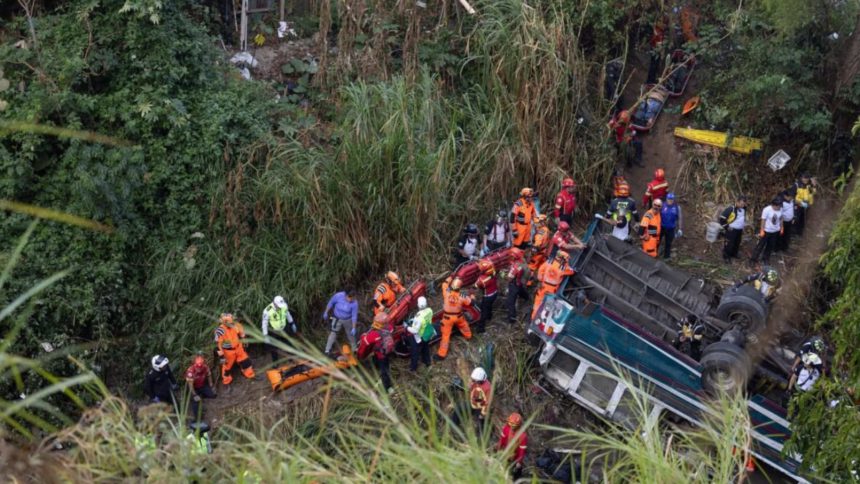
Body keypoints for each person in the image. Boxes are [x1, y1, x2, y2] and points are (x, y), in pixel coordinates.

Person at [435, 277, 474, 360]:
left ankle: (441, 354)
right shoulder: (463, 296)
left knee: (445, 336)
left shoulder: (446, 292)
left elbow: (444, 284)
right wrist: (471, 295)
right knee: (464, 325)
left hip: (447, 319)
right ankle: (468, 336)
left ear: (452, 285)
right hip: (458, 317)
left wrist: (450, 277)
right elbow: (472, 303)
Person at [214, 313, 256, 386]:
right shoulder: (220, 331)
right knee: (227, 367)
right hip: (228, 351)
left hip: (238, 347)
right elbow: (218, 345)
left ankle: (250, 375)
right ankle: (227, 382)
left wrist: (244, 341)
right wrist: (222, 357)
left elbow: (242, 334)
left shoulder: (236, 325)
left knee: (245, 361)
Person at [358, 313, 395, 393]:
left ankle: (388, 388)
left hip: (381, 355)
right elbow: (392, 329)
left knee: (385, 371)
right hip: (387, 351)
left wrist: (363, 335)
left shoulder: (374, 335)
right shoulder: (389, 328)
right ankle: (380, 372)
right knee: (380, 363)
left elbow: (365, 341)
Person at [532, 251, 575, 319]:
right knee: (547, 306)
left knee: (537, 303)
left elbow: (540, 270)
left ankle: (533, 318)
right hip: (552, 289)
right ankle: (541, 319)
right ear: (562, 259)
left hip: (542, 285)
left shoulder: (549, 262)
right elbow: (571, 272)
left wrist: (540, 281)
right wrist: (566, 264)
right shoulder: (563, 268)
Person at [323, 288, 359, 357]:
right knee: (333, 333)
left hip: (348, 320)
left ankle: (355, 350)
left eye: (352, 298)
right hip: (337, 318)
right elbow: (331, 303)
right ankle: (327, 350)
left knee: (351, 335)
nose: (351, 299)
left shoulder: (354, 303)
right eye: (349, 297)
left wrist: (354, 327)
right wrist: (326, 312)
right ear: (345, 295)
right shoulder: (338, 296)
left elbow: (354, 316)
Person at [261, 295, 297, 363]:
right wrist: (265, 335)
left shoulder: (284, 305)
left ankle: (291, 358)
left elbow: (287, 314)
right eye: (278, 306)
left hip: (284, 328)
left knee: (288, 344)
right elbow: (264, 323)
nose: (280, 307)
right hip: (274, 331)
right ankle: (275, 363)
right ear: (274, 303)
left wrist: (292, 323)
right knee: (274, 348)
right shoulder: (267, 310)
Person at [405, 296, 434, 372]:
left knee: (415, 351)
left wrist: (406, 327)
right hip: (427, 333)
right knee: (426, 347)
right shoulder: (430, 310)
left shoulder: (418, 316)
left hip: (420, 335)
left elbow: (414, 331)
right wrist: (414, 320)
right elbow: (425, 319)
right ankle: (427, 362)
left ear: (418, 305)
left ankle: (413, 368)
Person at [751, 198, 783, 264]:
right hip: (767, 230)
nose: (779, 207)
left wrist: (781, 227)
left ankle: (765, 259)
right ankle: (753, 259)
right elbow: (763, 220)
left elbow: (781, 218)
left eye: (780, 206)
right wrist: (762, 230)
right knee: (760, 245)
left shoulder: (780, 209)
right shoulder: (767, 210)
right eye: (778, 206)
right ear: (774, 205)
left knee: (770, 246)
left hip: (775, 231)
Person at [185, 354, 216, 420]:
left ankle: (201, 396)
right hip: (194, 388)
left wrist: (211, 385)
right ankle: (197, 418)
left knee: (213, 395)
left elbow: (209, 375)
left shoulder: (205, 367)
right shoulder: (190, 371)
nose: (199, 368)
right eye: (198, 366)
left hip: (202, 386)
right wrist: (194, 395)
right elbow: (190, 386)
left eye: (201, 365)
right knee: (196, 402)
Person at [497, 412, 528, 479]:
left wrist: (519, 462)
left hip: (516, 456)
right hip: (507, 453)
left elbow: (522, 451)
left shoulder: (522, 435)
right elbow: (502, 440)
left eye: (513, 424)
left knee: (517, 470)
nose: (511, 425)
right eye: (510, 423)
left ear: (518, 425)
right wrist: (498, 449)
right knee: (505, 468)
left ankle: (517, 479)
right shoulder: (506, 428)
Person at [506, 248, 530, 325]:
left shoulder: (515, 267)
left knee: (510, 302)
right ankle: (527, 298)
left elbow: (509, 278)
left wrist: (505, 275)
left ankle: (512, 318)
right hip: (520, 283)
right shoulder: (522, 260)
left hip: (514, 285)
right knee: (521, 291)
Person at [719, 195, 747, 262]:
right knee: (729, 243)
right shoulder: (730, 209)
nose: (743, 205)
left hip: (739, 230)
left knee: (737, 242)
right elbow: (722, 218)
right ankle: (726, 257)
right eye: (741, 204)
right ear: (737, 202)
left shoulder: (744, 209)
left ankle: (734, 254)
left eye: (744, 204)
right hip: (731, 230)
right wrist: (726, 227)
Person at [474, 260, 499, 334]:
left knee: (483, 311)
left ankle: (480, 328)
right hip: (495, 293)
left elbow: (475, 286)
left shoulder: (482, 279)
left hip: (487, 296)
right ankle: (489, 316)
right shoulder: (493, 272)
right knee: (489, 306)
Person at [469, 367, 492, 435]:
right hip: (473, 404)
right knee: (459, 408)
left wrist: (482, 414)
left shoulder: (487, 388)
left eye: (475, 381)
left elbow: (487, 402)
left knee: (480, 423)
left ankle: (480, 438)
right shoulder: (475, 382)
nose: (473, 382)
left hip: (480, 407)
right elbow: (472, 390)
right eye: (473, 380)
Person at [660, 193, 683, 259]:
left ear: (673, 200)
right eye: (669, 199)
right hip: (662, 227)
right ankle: (655, 252)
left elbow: (680, 218)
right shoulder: (662, 205)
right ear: (666, 199)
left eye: (671, 199)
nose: (670, 201)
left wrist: (680, 228)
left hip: (671, 228)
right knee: (658, 240)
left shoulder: (677, 207)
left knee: (668, 243)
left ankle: (666, 257)